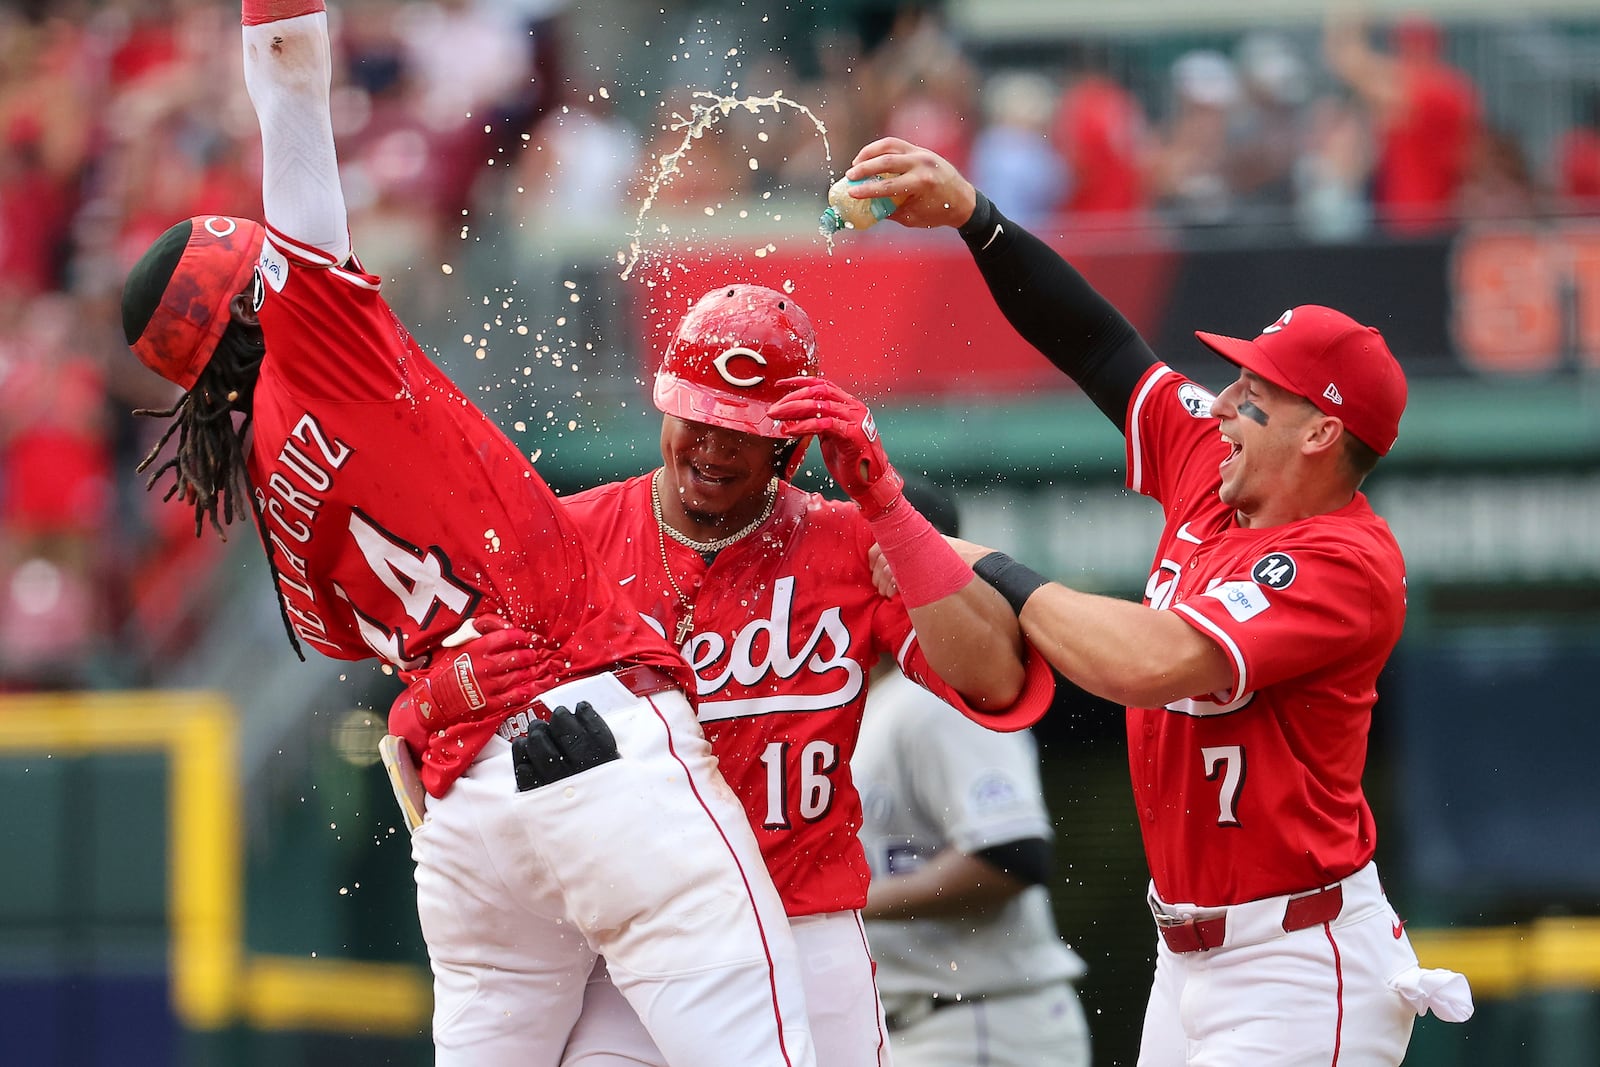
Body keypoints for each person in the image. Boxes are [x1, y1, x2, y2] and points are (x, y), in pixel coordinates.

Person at [117, 4, 816, 1065]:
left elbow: (350, 641)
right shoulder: (318, 339)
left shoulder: (260, 477)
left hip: (467, 818)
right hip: (585, 737)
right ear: (257, 297)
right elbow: (290, 76)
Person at [830, 137, 1476, 1065]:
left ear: (1323, 430)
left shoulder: (1345, 560)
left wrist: (986, 564)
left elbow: (1146, 663)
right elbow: (1100, 345)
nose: (1223, 405)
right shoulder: (1218, 469)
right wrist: (977, 218)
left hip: (1296, 960)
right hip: (1188, 957)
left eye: (1255, 393)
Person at [389, 283, 1058, 1065]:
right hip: (633, 930)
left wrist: (887, 505)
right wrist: (443, 699)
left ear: (788, 444)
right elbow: (416, 740)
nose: (709, 445)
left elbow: (996, 681)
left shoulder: (846, 541)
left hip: (805, 926)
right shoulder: (566, 537)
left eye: (739, 430)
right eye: (695, 417)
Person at [855, 478, 1090, 1066]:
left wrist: (845, 901)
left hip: (981, 1019)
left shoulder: (937, 694)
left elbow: (1012, 854)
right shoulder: (876, 698)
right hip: (928, 1020)